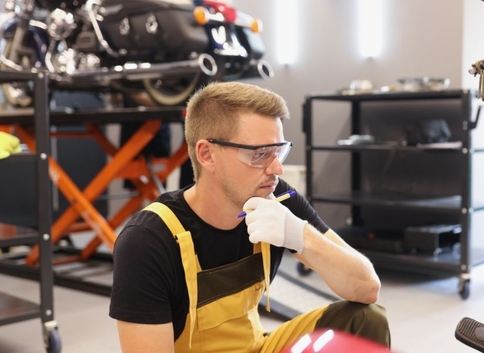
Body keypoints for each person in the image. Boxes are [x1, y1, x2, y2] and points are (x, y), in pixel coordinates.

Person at [109, 81, 390, 353]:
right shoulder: (147, 242)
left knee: (366, 319)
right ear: (207, 155)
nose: (277, 168)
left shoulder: (278, 199)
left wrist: (299, 235)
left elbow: (368, 288)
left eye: (279, 151)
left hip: (257, 347)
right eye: (260, 154)